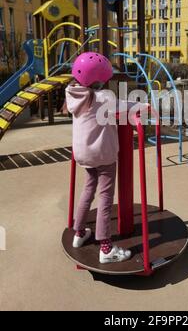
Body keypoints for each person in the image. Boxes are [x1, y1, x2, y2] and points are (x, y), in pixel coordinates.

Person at [66, 52, 131, 264]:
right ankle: (106, 247)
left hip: (83, 154)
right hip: (103, 154)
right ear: (99, 79)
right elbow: (125, 106)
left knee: (88, 189)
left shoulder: (73, 94)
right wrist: (144, 106)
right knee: (105, 197)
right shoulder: (104, 97)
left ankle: (79, 232)